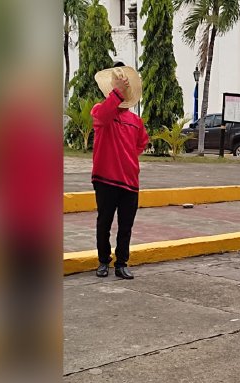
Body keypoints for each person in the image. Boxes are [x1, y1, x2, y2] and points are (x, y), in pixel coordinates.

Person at [91, 63, 149, 279]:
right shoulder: (101, 111)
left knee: (126, 226)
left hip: (130, 181)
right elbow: (103, 115)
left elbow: (141, 143)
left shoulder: (136, 121)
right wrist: (116, 92)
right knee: (104, 222)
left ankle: (122, 262)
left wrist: (127, 159)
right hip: (105, 179)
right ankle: (103, 261)